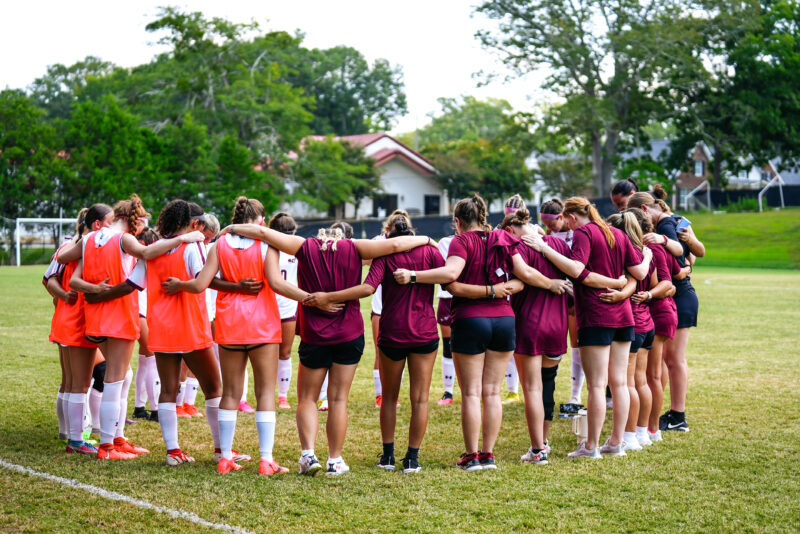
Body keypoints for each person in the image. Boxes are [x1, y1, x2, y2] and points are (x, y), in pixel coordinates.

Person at [218, 219, 431, 475]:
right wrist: (426, 239)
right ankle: (335, 460)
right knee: (338, 399)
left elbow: (264, 232)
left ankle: (308, 455)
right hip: (349, 333)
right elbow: (396, 243)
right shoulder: (354, 247)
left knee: (307, 398)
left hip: (314, 334)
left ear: (319, 237)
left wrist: (232, 228)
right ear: (340, 237)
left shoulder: (305, 246)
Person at [393, 194, 569, 471]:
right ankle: (488, 455)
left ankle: (472, 455)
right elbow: (524, 273)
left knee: (472, 393)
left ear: (458, 221)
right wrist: (549, 284)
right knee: (492, 393)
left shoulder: (461, 241)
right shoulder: (503, 238)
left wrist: (413, 275)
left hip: (470, 320)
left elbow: (451, 273)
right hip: (504, 320)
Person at [164, 198, 320, 475]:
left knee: (231, 393)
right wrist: (309, 299)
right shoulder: (266, 244)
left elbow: (201, 283)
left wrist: (180, 285)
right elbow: (276, 283)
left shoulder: (219, 244)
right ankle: (266, 460)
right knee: (265, 393)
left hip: (229, 323)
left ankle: (225, 457)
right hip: (262, 323)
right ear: (261, 221)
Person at [60, 195, 205, 460]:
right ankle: (106, 446)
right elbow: (148, 253)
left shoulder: (90, 239)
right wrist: (182, 239)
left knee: (123, 376)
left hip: (95, 316)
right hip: (119, 315)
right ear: (132, 220)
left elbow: (70, 270)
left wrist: (94, 288)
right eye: (141, 223)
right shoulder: (123, 239)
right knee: (115, 380)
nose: (143, 230)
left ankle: (116, 437)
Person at [304, 212, 443, 474]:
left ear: (388, 233)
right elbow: (448, 277)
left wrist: (328, 297)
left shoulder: (386, 254)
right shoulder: (429, 251)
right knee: (421, 399)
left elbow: (368, 287)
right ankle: (412, 459)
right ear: (412, 232)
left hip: (393, 332)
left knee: (389, 398)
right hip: (424, 331)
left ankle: (388, 456)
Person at [522, 197, 652, 459]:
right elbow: (638, 272)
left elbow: (578, 270)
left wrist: (543, 248)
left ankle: (591, 446)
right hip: (624, 317)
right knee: (619, 383)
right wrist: (646, 256)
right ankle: (616, 442)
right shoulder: (616, 232)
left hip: (596, 314)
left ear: (571, 217)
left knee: (596, 385)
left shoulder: (583, 233)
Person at [628, 186, 704, 432]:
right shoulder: (671, 222)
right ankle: (661, 414)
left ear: (645, 209)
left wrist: (672, 252)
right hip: (676, 294)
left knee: (673, 360)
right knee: (663, 360)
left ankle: (678, 415)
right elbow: (687, 257)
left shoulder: (666, 225)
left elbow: (682, 260)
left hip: (679, 296)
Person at [44, 208, 100, 454]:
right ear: (95, 225)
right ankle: (77, 439)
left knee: (68, 382)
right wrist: (68, 296)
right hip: (78, 322)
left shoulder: (65, 248)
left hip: (63, 320)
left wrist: (63, 296)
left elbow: (48, 279)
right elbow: (51, 280)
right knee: (80, 383)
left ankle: (66, 432)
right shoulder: (84, 249)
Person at [538, 198, 583, 414]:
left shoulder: (578, 232)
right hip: (554, 292)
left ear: (561, 217)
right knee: (552, 343)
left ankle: (575, 394)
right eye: (544, 223)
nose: (548, 228)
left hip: (574, 292)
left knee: (576, 343)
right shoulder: (546, 234)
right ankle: (546, 389)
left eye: (551, 223)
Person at [268, 212, 300, 411]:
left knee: (285, 353)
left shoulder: (298, 251)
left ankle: (282, 396)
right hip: (268, 306)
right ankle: (270, 394)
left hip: (288, 306)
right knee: (271, 354)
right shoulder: (267, 249)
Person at [132, 228, 160, 422]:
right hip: (139, 308)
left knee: (144, 358)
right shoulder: (145, 259)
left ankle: (139, 407)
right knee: (150, 356)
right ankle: (156, 409)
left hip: (138, 308)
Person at [435, 233, 456, 405]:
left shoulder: (482, 238)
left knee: (474, 347)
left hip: (471, 296)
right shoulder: (445, 241)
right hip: (448, 297)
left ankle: (472, 391)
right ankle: (448, 392)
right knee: (449, 345)